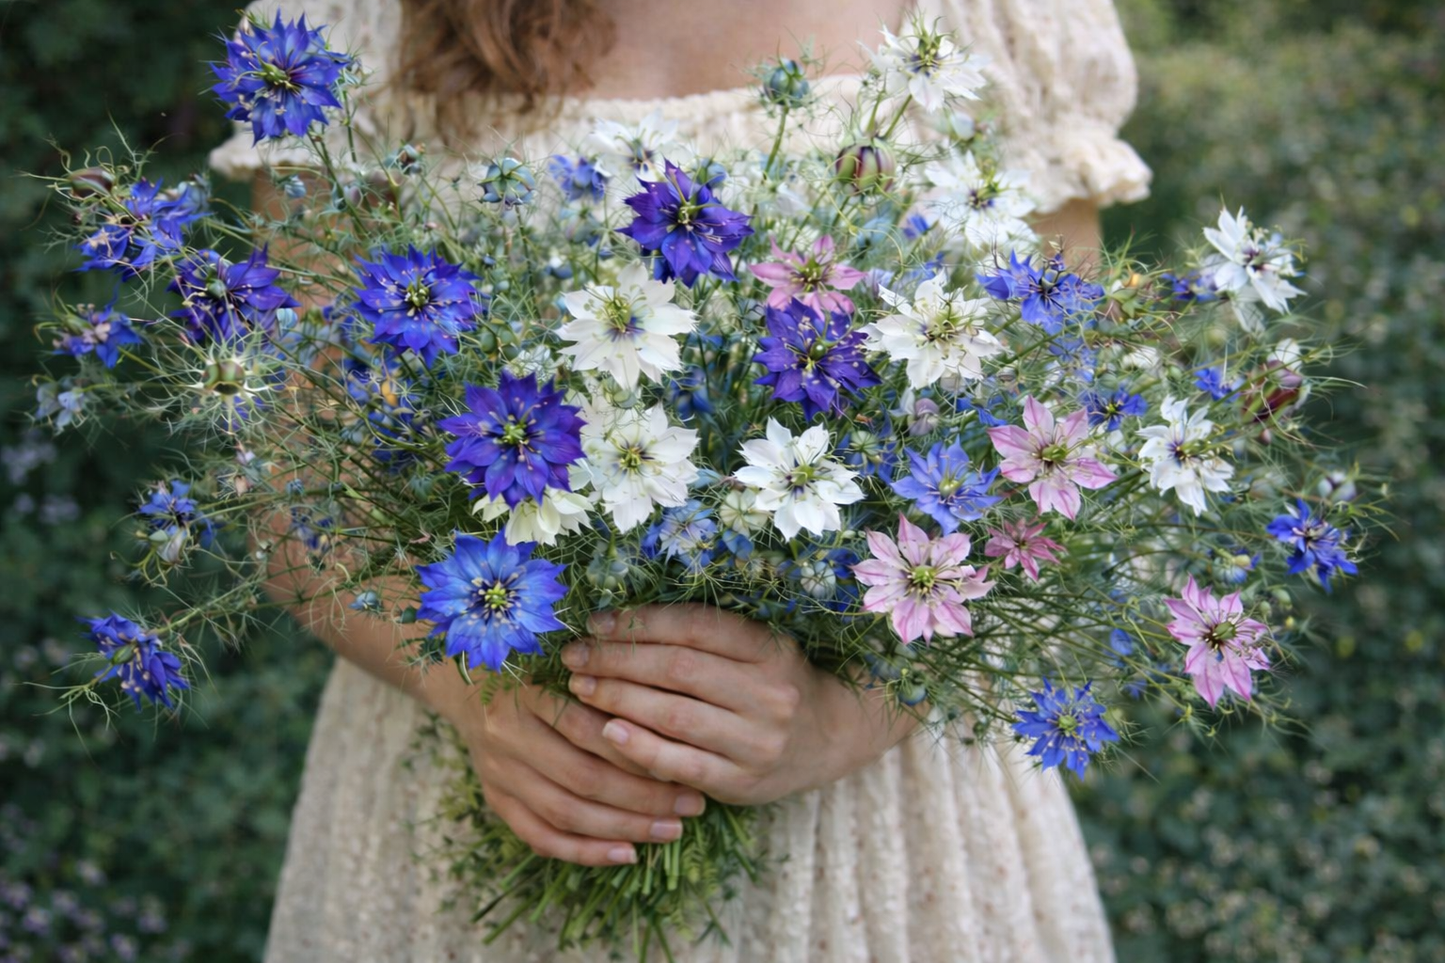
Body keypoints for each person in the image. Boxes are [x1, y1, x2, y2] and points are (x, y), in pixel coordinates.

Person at [211, 0, 1151, 959]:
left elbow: (1062, 443)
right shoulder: (351, 26)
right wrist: (471, 691)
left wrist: (845, 721)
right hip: (491, 771)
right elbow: (286, 466)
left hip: (875, 811)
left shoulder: (997, 21)